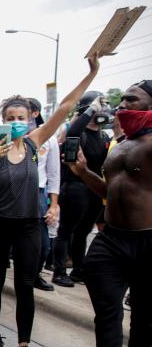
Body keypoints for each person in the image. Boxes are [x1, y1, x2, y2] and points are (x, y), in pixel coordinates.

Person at [0, 57, 98, 347]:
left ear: (30, 118)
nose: (17, 120)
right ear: (2, 119)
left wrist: (92, 73)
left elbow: (65, 109)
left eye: (22, 116)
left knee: (25, 286)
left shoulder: (34, 143)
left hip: (29, 225)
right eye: (10, 116)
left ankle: (24, 345)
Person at [67, 80, 152, 347]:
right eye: (122, 100)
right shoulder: (120, 145)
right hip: (111, 239)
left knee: (145, 314)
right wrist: (84, 172)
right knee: (107, 311)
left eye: (133, 100)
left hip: (148, 242)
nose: (123, 106)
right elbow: (111, 192)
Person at [52, 91, 109, 287]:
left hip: (94, 188)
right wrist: (89, 110)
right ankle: (59, 271)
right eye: (97, 108)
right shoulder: (78, 133)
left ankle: (78, 269)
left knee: (83, 232)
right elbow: (73, 131)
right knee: (65, 231)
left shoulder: (103, 136)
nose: (102, 111)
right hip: (75, 187)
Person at [27, 98, 61, 292]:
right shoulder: (12, 136)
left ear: (36, 113)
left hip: (39, 194)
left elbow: (54, 174)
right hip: (15, 193)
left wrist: (53, 204)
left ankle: (35, 274)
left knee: (43, 244)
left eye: (28, 112)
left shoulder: (50, 140)